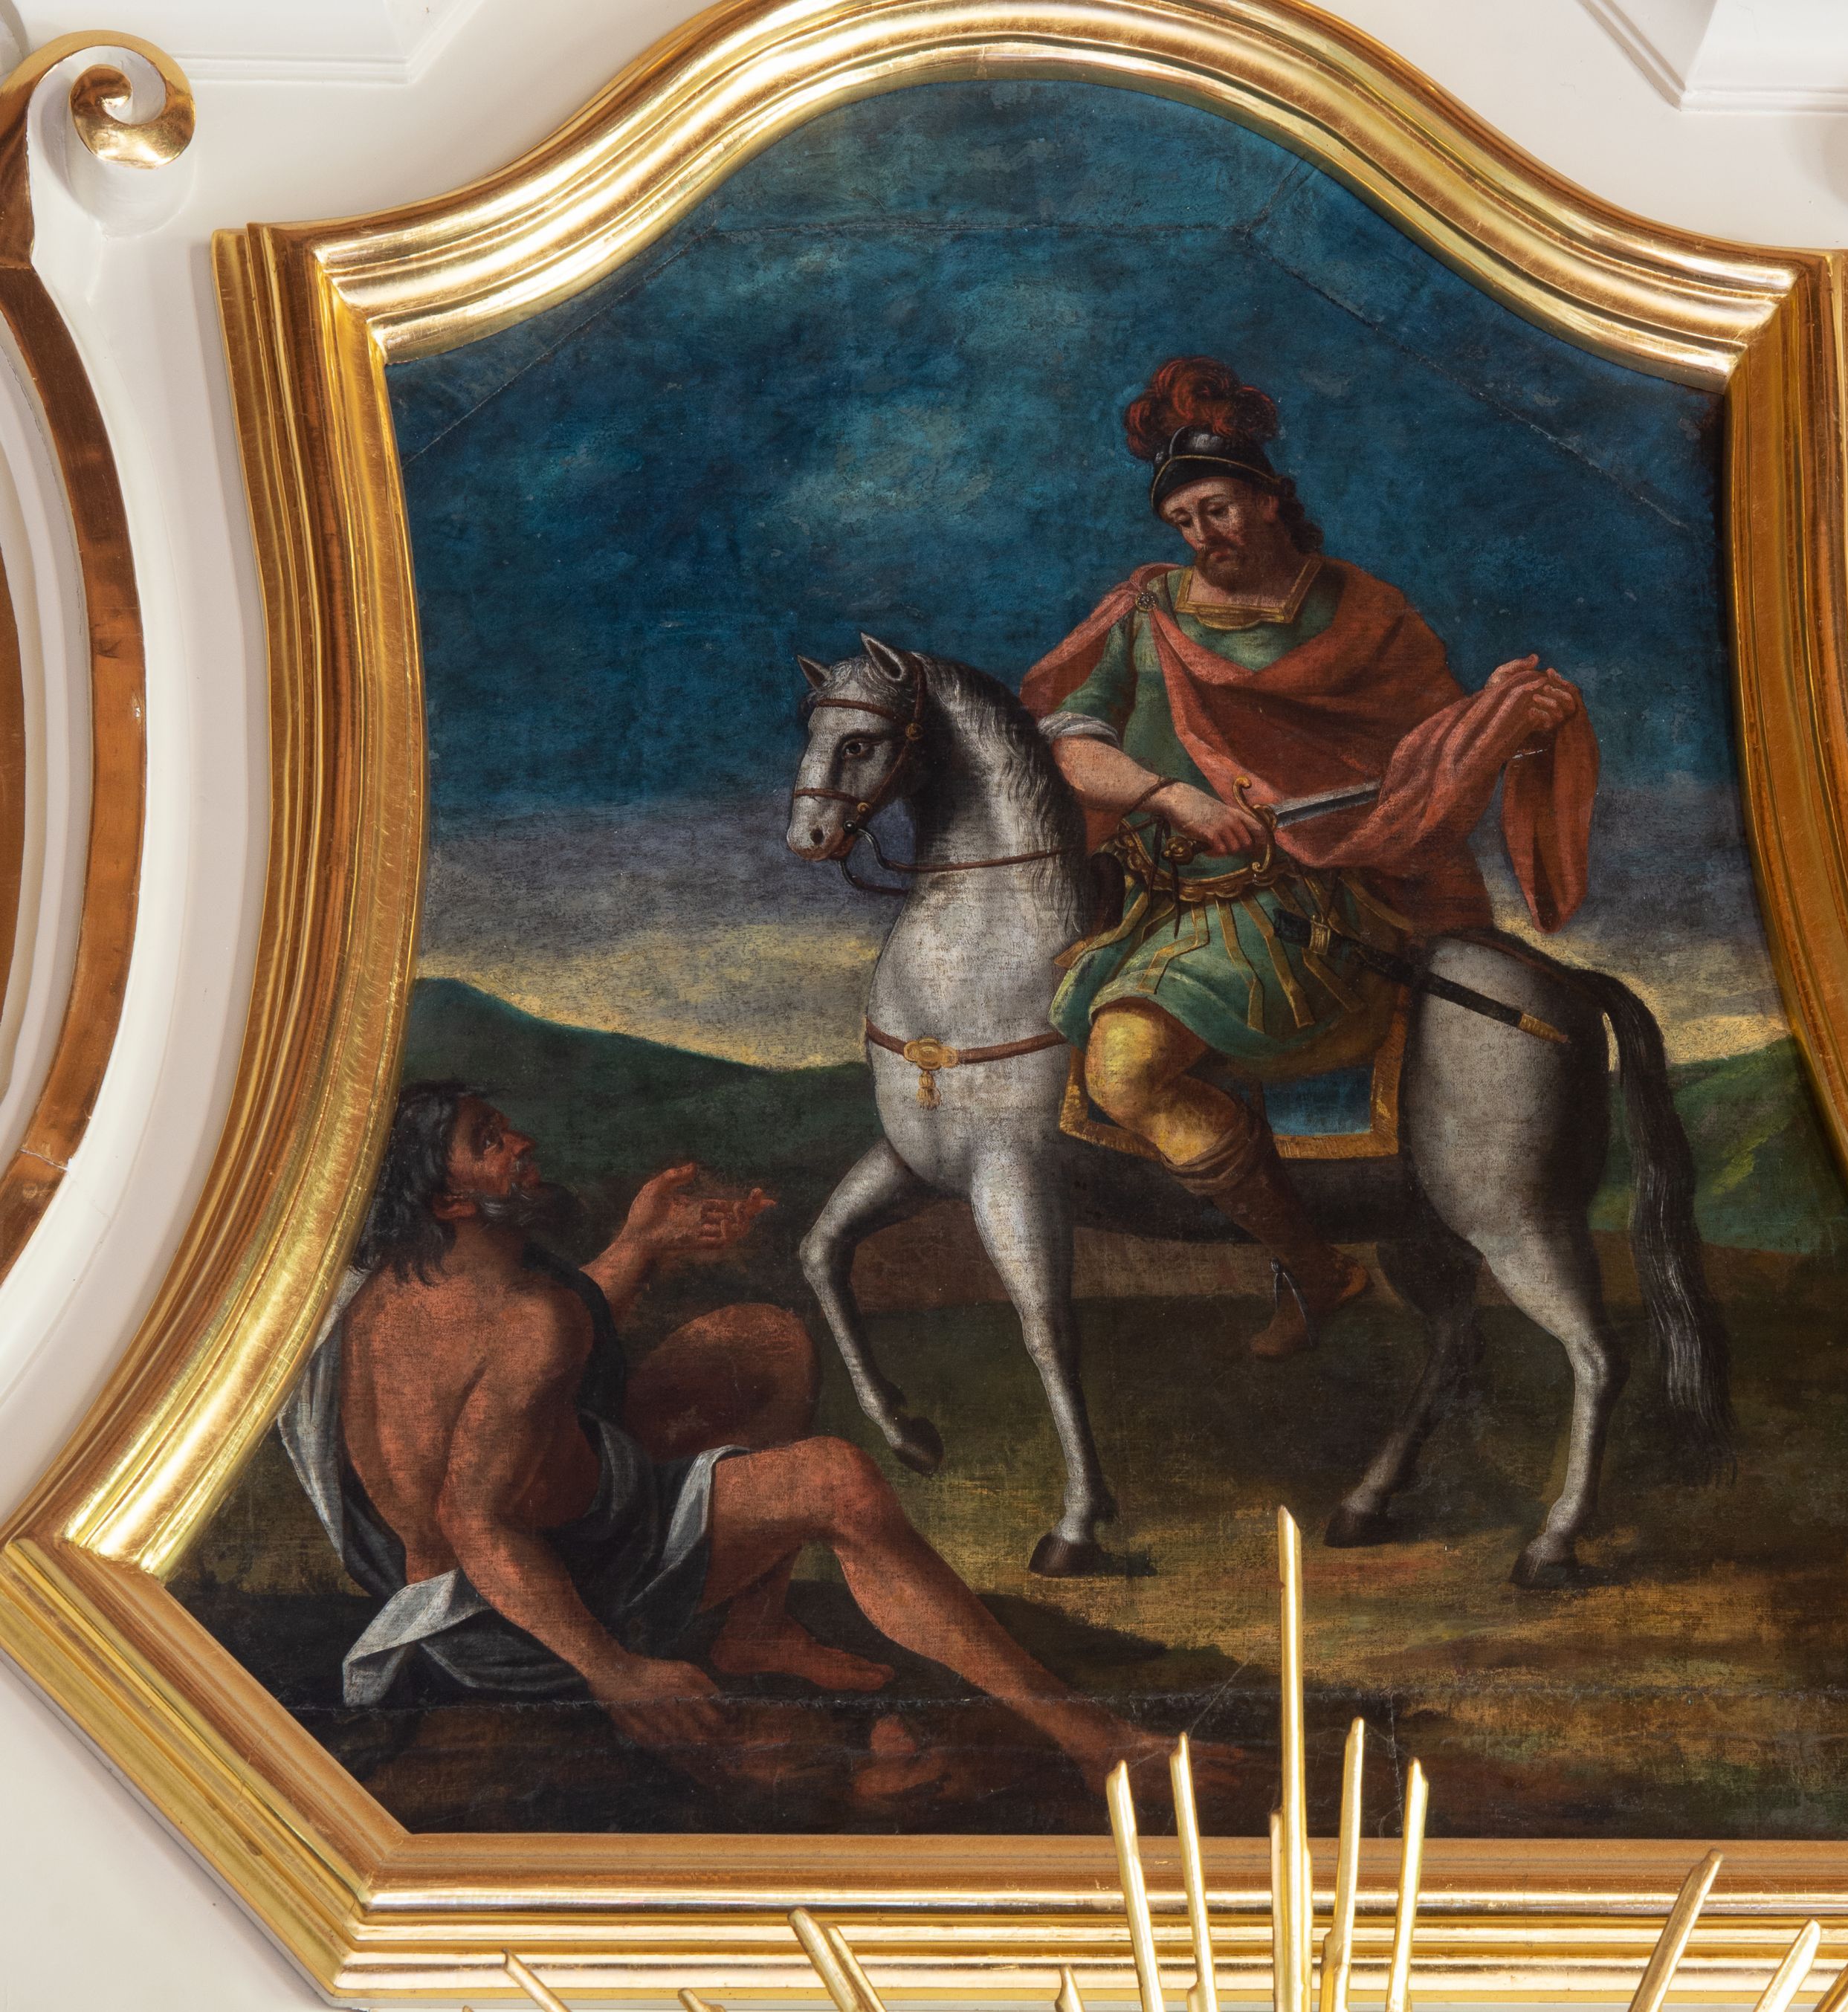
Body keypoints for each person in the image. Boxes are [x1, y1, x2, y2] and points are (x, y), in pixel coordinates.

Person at [280, 1079, 1194, 1787]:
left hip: (538, 1533)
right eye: (489, 1142)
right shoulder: (527, 1319)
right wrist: (614, 1669)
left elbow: (541, 1362)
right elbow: (475, 1518)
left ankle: (756, 1630)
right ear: (447, 1202)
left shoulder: (401, 1287)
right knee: (837, 1480)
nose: (522, 1144)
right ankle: (1094, 1738)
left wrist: (643, 1242)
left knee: (762, 1341)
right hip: (539, 1604)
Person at [1023, 355, 1601, 1358]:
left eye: (1218, 509)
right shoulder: (1149, 615)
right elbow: (1068, 744)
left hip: (1314, 898)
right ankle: (1312, 1265)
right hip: (1162, 900)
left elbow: (1430, 767)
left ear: (1268, 498)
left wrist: (1497, 729)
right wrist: (1167, 793)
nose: (1204, 535)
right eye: (1184, 520)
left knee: (1123, 1067)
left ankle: (1317, 1266)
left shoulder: (1369, 618)